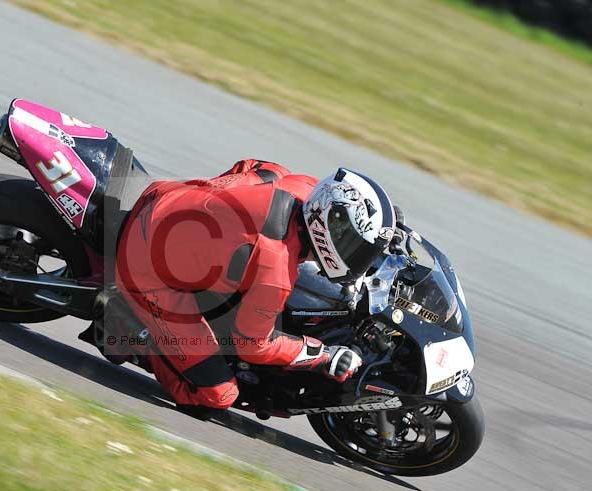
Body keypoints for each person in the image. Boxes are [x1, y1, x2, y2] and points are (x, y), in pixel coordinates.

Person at [114, 159, 396, 412]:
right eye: (354, 247)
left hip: (165, 195)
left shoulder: (304, 188)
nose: (356, 258)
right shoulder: (274, 270)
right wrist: (322, 354)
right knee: (219, 395)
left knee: (267, 178)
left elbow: (249, 166)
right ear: (329, 223)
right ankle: (131, 329)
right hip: (145, 271)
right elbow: (253, 346)